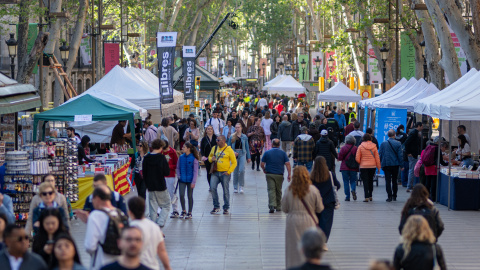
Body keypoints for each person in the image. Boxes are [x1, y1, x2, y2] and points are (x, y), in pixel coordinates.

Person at [282, 166, 324, 269]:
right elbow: (320, 208)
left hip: (292, 221)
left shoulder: (289, 190)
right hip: (309, 220)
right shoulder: (313, 190)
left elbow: (284, 208)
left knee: (293, 248)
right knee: (309, 246)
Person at [85, 186, 128, 270]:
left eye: (93, 199)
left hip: (102, 262)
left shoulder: (95, 215)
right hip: (120, 262)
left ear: (97, 198)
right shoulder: (119, 213)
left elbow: (90, 246)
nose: (92, 203)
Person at [128, 197, 171, 270]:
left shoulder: (128, 229)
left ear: (130, 212)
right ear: (144, 210)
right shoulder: (155, 227)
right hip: (152, 266)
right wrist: (167, 267)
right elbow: (162, 251)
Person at [310, 156, 340, 247]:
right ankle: (323, 242)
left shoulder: (312, 176)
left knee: (315, 222)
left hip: (315, 202)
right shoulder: (330, 174)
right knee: (326, 223)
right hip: (328, 202)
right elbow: (337, 185)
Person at [142, 139, 171, 227]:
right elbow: (167, 172)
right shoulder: (161, 158)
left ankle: (153, 226)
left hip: (150, 186)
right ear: (161, 147)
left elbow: (144, 172)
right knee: (166, 204)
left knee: (153, 208)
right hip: (160, 185)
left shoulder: (146, 158)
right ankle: (160, 222)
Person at [208, 135, 237, 215]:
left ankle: (226, 207)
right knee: (212, 188)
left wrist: (229, 171)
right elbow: (209, 157)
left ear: (223, 141)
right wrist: (211, 159)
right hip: (215, 172)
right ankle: (216, 206)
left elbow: (234, 162)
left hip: (225, 173)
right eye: (216, 140)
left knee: (225, 190)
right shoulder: (214, 148)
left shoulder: (229, 150)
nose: (216, 141)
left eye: (218, 140)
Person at [261, 139, 292, 213]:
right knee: (278, 190)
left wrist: (264, 169)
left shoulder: (267, 153)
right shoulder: (283, 153)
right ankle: (278, 206)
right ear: (279, 145)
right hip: (279, 174)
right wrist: (289, 174)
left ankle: (272, 205)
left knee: (271, 189)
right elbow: (288, 164)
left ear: (272, 144)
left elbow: (262, 164)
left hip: (269, 174)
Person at [176, 142, 199, 219]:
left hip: (190, 180)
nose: (182, 148)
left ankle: (190, 212)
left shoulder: (193, 158)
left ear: (188, 149)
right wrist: (179, 175)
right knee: (181, 195)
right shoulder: (181, 157)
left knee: (189, 196)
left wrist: (194, 182)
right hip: (182, 179)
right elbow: (178, 167)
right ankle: (183, 210)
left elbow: (195, 171)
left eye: (184, 147)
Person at [379, 129, 403, 202]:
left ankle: (389, 196)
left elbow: (380, 154)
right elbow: (400, 155)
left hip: (386, 164)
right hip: (395, 164)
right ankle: (394, 196)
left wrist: (380, 163)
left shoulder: (383, 144)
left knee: (388, 181)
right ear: (394, 135)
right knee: (394, 180)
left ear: (388, 135)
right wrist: (401, 165)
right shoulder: (398, 143)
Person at [355, 133, 381, 202]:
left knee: (365, 181)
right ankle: (370, 196)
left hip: (363, 166)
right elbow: (377, 158)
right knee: (370, 181)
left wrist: (361, 162)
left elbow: (357, 158)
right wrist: (378, 167)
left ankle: (366, 196)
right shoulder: (374, 146)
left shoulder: (360, 146)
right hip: (372, 166)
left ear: (363, 139)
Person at [228, 123, 251, 194]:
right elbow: (229, 147)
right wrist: (233, 152)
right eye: (236, 127)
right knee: (235, 171)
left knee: (241, 170)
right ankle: (235, 187)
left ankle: (241, 185)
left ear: (241, 128)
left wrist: (248, 157)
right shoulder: (232, 137)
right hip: (234, 154)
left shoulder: (244, 137)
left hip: (242, 153)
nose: (237, 129)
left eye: (238, 127)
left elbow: (247, 147)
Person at [159, 141, 179, 219]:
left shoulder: (172, 152)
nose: (165, 151)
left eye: (166, 149)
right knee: (160, 193)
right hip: (161, 175)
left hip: (170, 175)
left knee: (171, 192)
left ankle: (175, 210)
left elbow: (176, 164)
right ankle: (160, 210)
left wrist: (169, 166)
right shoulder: (160, 152)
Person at [338, 135, 359, 201]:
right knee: (353, 181)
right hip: (354, 167)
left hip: (345, 167)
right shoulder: (356, 148)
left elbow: (339, 158)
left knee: (346, 182)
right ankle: (353, 190)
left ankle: (347, 196)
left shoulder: (343, 148)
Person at [405, 122, 423, 192]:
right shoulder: (414, 133)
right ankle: (409, 186)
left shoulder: (414, 132)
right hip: (412, 154)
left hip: (413, 154)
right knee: (412, 170)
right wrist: (408, 152)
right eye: (421, 126)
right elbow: (407, 142)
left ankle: (410, 185)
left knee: (412, 169)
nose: (422, 128)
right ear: (418, 126)